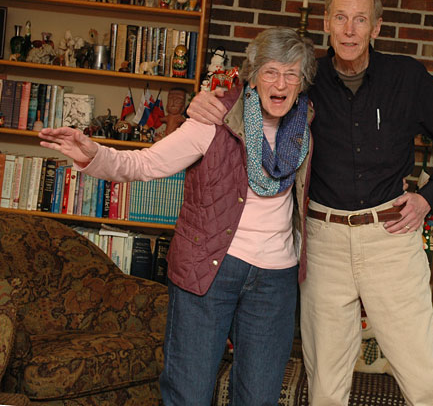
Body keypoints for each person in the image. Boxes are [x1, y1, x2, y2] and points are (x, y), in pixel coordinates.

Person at [187, 0, 433, 405]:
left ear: (376, 27)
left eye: (360, 19)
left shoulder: (406, 77)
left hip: (390, 239)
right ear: (326, 22)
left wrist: (428, 197)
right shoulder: (306, 78)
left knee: (427, 381)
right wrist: (204, 102)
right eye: (340, 17)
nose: (349, 29)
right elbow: (252, 97)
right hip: (323, 243)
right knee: (325, 387)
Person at [38, 27, 317, 406]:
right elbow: (145, 164)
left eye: (291, 74)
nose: (281, 83)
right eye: (271, 72)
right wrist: (94, 154)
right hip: (210, 269)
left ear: (302, 83)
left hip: (276, 279)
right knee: (189, 393)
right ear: (252, 76)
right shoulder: (214, 120)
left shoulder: (305, 130)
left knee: (259, 398)